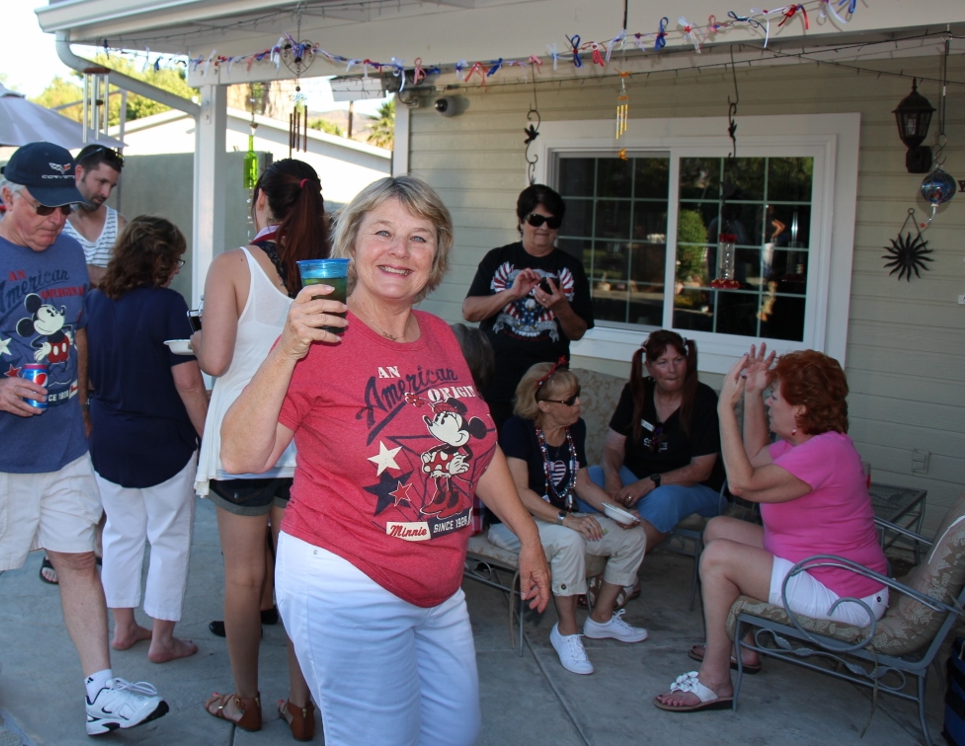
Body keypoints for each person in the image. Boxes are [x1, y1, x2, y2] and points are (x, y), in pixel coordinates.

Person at [220, 175, 551, 745]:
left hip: (441, 588)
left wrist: (528, 538)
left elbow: (477, 448)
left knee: (455, 735)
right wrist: (289, 346)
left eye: (419, 238)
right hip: (346, 584)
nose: (400, 251)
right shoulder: (319, 335)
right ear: (351, 246)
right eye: (383, 233)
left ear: (437, 255)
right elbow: (241, 456)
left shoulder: (444, 338)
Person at [0, 141, 167, 736]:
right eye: (43, 208)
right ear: (9, 195)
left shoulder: (71, 255)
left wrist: (86, 400)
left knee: (77, 559)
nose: (56, 220)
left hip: (64, 447)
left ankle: (100, 690)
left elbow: (76, 334)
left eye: (64, 209)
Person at [655, 345, 887, 712]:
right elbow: (755, 457)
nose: (769, 403)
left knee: (718, 558)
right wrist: (751, 391)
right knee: (719, 529)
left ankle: (714, 679)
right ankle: (743, 647)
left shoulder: (824, 452)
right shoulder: (809, 443)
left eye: (774, 397)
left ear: (800, 409)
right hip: (817, 566)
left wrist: (723, 409)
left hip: (843, 593)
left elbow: (742, 484)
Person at [192, 159, 326, 739]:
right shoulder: (327, 273)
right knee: (298, 582)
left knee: (245, 579)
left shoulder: (234, 265)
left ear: (261, 203)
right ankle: (301, 706)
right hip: (306, 445)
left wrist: (195, 337)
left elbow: (216, 360)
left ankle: (246, 701)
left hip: (242, 444)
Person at [81, 216, 206, 665]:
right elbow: (189, 384)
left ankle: (123, 627)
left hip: (109, 437)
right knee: (170, 537)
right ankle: (163, 639)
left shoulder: (94, 302)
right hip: (163, 440)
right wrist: (208, 436)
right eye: (174, 260)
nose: (176, 269)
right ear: (158, 260)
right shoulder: (167, 305)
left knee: (119, 533)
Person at [489, 360, 648, 676]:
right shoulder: (517, 429)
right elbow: (519, 493)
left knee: (633, 535)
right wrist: (565, 519)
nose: (580, 404)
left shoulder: (576, 427)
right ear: (544, 405)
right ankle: (566, 632)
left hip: (558, 520)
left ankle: (601, 619)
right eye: (570, 400)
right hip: (513, 524)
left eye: (578, 395)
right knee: (571, 539)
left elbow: (583, 484)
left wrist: (618, 513)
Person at [462, 183, 593, 429]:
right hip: (495, 380)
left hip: (546, 389)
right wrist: (510, 294)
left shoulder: (571, 267)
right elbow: (470, 311)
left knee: (538, 459)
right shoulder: (498, 258)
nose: (544, 227)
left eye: (551, 222)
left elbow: (578, 332)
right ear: (522, 221)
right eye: (536, 219)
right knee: (494, 456)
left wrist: (561, 307)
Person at [590, 330, 722, 556]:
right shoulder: (636, 390)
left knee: (664, 498)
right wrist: (613, 477)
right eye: (662, 362)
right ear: (649, 366)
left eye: (678, 360)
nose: (672, 369)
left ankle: (621, 571)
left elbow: (701, 470)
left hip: (695, 488)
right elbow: (613, 447)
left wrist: (650, 483)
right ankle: (593, 552)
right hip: (637, 477)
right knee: (591, 476)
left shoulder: (704, 399)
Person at [63, 144, 127, 287]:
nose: (106, 193)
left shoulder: (118, 224)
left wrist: (72, 268)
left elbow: (129, 280)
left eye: (111, 186)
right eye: (102, 182)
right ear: (79, 173)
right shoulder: (52, 221)